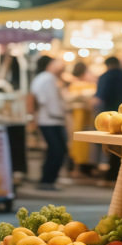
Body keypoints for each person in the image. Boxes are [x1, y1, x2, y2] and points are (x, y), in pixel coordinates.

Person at [29, 56, 68, 191]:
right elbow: (45, 100)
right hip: (51, 120)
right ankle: (47, 180)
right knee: (57, 151)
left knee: (55, 150)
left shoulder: (43, 78)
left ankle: (48, 179)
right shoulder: (47, 78)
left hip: (49, 119)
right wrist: (59, 113)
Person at [94, 57, 122, 181]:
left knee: (110, 147)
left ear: (107, 65)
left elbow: (100, 97)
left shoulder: (106, 76)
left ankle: (110, 176)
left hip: (109, 117)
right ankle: (117, 175)